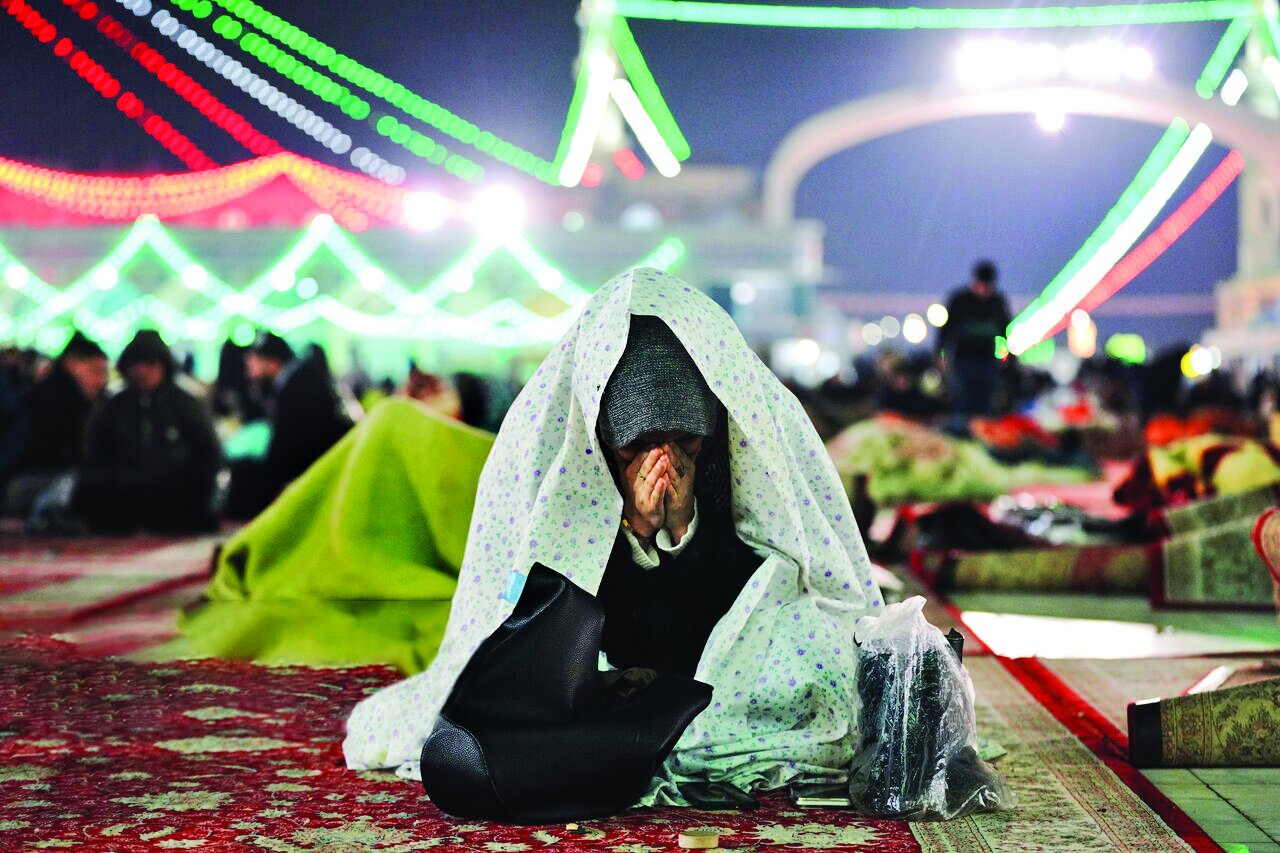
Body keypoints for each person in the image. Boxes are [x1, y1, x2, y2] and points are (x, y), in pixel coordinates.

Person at [343, 267, 883, 803]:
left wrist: (683, 535)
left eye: (685, 446)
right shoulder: (554, 448)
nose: (663, 464)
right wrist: (634, 535)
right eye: (637, 449)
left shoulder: (738, 450)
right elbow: (534, 604)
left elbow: (772, 574)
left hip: (714, 656)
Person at [72, 330, 220, 533]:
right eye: (136, 364)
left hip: (173, 491)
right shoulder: (113, 405)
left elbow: (209, 455)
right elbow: (95, 456)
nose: (142, 371)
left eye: (150, 364)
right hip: (125, 492)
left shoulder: (186, 404)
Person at [225, 332, 354, 518]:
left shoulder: (299, 385)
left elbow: (292, 444)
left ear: (272, 363)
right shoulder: (296, 379)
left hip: (316, 463)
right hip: (316, 458)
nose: (249, 365)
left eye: (254, 360)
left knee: (247, 474)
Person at [3, 332, 108, 524]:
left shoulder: (88, 401)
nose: (99, 381)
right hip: (31, 482)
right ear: (72, 365)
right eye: (94, 371)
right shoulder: (52, 401)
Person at [938, 259, 1011, 432]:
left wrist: (1008, 358)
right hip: (962, 363)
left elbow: (1005, 332)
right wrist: (941, 356)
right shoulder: (959, 300)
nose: (984, 291)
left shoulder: (997, 303)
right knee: (961, 404)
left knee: (985, 407)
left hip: (987, 364)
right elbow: (945, 332)